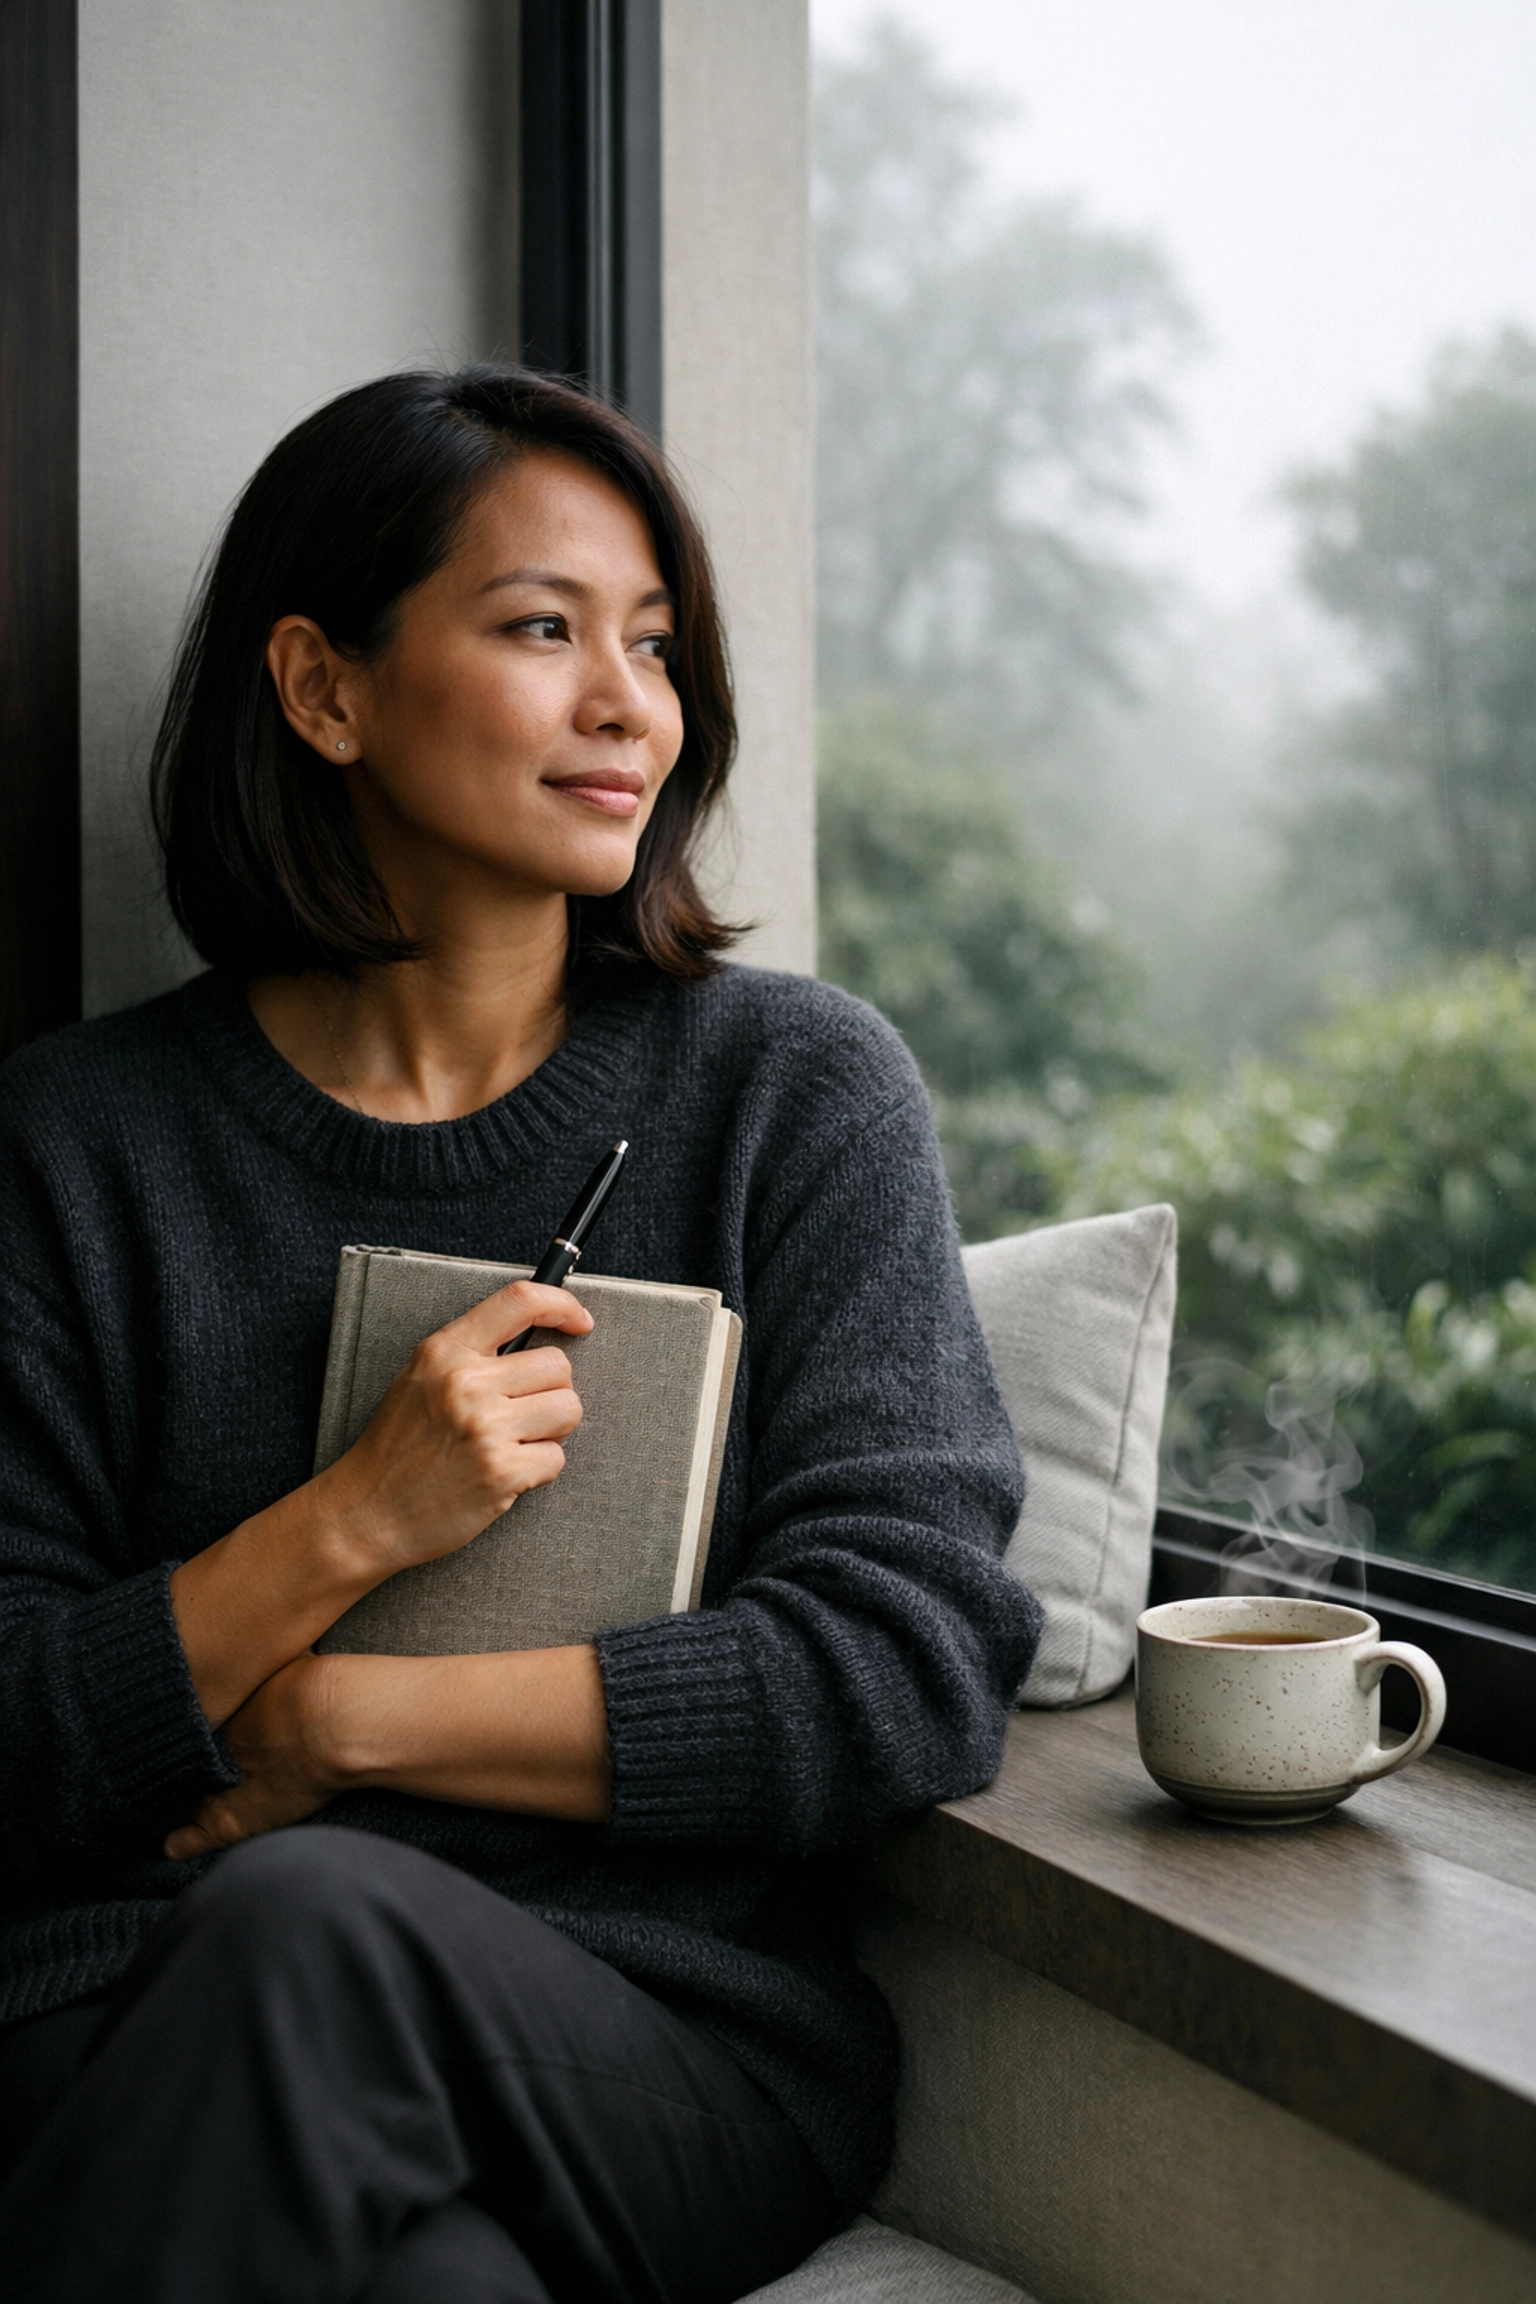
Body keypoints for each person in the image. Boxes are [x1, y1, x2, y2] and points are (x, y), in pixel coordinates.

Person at [0, 367, 1039, 2302]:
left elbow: (908, 1662)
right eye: (542, 629)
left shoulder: (791, 1094)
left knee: (308, 1921)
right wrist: (347, 1528)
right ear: (322, 689)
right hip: (129, 1998)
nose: (628, 702)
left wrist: (332, 1724)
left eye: (652, 643)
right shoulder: (79, 1146)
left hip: (647, 2036)